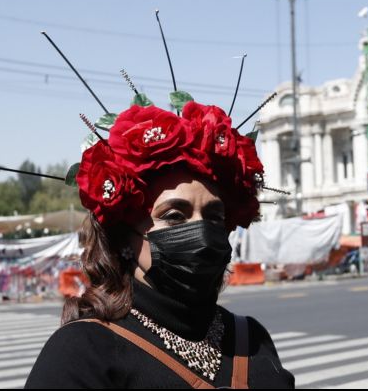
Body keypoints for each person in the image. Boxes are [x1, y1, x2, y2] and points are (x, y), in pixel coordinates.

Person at [25, 101, 294, 388]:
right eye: (174, 216)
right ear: (125, 234)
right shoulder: (84, 351)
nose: (200, 233)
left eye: (214, 217)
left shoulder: (250, 338)